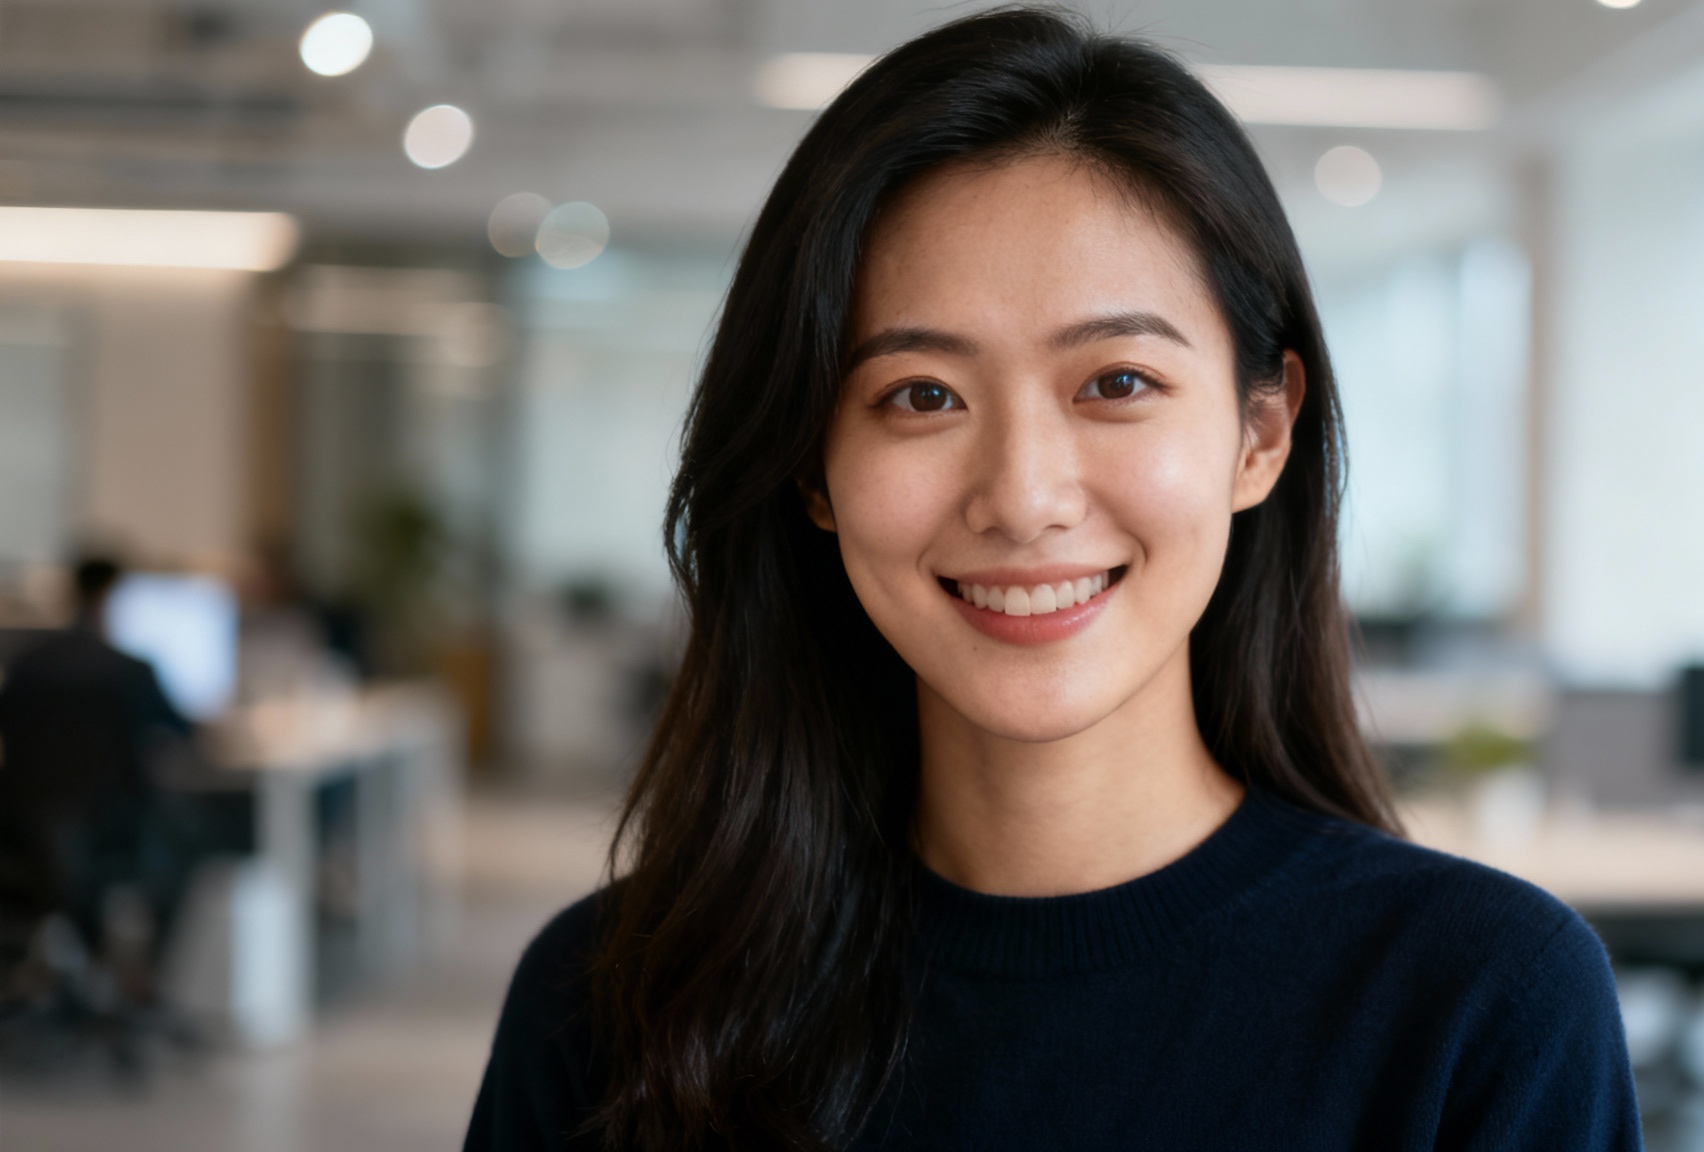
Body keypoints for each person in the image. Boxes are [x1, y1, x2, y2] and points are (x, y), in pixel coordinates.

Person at [465, 10, 1640, 1151]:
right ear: (809, 470)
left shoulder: (1481, 1002)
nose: (1023, 498)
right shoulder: (608, 1005)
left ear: (1259, 434)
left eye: (1116, 383)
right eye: (919, 395)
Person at [0, 556, 194, 983]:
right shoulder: (131, 670)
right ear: (113, 597)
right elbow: (185, 732)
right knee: (190, 840)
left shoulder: (25, 664)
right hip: (109, 836)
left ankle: (90, 978)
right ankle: (145, 979)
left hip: (27, 838)